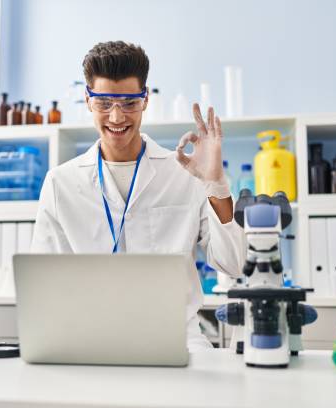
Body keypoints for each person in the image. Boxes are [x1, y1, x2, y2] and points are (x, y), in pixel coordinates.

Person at [31, 41, 245, 350]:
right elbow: (43, 283)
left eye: (129, 102)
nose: (117, 117)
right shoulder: (60, 183)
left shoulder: (184, 172)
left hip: (177, 340)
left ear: (145, 100)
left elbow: (233, 264)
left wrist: (216, 185)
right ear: (88, 101)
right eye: (104, 103)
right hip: (90, 340)